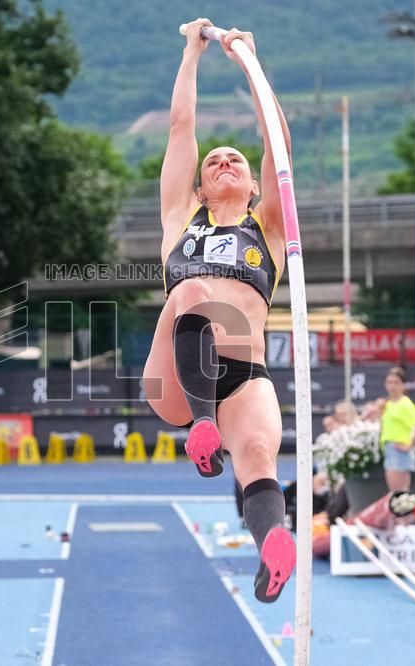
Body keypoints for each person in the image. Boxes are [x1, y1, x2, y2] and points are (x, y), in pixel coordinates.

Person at [143, 19, 295, 603]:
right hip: (176, 384)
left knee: (257, 455)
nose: (225, 161)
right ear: (200, 189)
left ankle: (271, 548)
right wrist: (192, 53)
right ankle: (202, 428)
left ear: (255, 186)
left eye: (236, 159)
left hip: (244, 376)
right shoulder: (182, 220)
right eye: (214, 163)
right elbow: (181, 128)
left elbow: (276, 141)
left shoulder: (269, 228)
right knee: (190, 292)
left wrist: (251, 65)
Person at [379, 367, 415, 492]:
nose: (392, 386)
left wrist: (410, 445)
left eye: (396, 382)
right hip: (389, 448)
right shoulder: (388, 404)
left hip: (398, 450)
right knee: (398, 495)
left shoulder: (405, 404)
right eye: (389, 382)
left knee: (398, 495)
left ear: (403, 385)